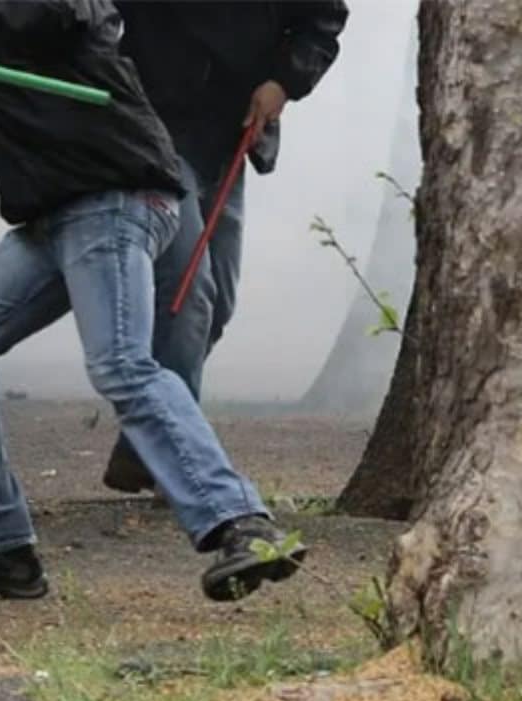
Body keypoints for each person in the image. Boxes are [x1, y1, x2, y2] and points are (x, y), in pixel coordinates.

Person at [0, 0, 306, 602]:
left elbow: (50, 8)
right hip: (53, 215)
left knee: (122, 363)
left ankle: (242, 524)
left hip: (114, 194)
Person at [102, 1, 349, 494]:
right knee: (189, 295)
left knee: (216, 306)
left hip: (233, 134)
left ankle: (143, 446)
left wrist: (283, 82)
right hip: (155, 131)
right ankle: (181, 464)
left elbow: (321, 19)